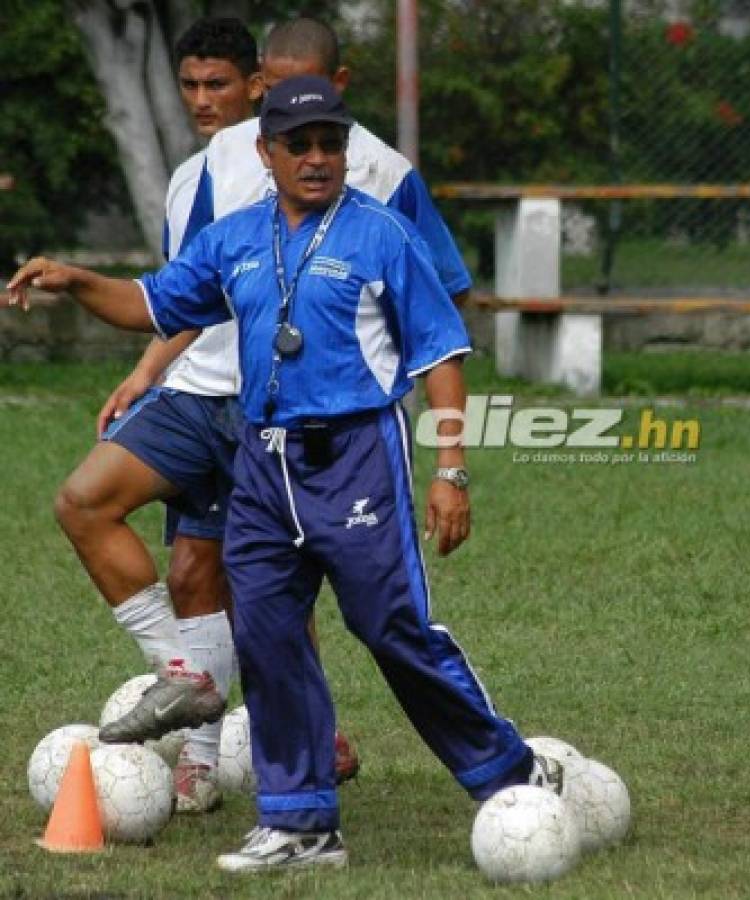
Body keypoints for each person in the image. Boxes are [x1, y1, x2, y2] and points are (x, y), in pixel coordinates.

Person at [7, 75, 558, 874]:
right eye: (298, 144)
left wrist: (452, 472)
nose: (316, 157)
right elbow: (154, 305)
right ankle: (301, 823)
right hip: (261, 464)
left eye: (330, 143)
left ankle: (511, 771)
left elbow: (441, 353)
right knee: (267, 637)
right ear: (265, 152)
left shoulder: (380, 236)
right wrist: (77, 281)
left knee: (391, 631)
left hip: (357, 460)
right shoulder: (235, 239)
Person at [72, 16, 470, 802]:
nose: (287, 116)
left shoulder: (385, 182)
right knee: (200, 566)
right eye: (271, 94)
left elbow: (440, 300)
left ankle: (469, 764)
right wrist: (151, 366)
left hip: (325, 428)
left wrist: (445, 448)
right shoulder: (217, 163)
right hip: (207, 397)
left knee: (333, 606)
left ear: (340, 94)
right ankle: (225, 739)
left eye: (309, 109)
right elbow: (189, 291)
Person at [52, 17, 262, 815]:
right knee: (87, 502)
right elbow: (183, 295)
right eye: (191, 85)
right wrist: (145, 370)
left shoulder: (281, 169)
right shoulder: (185, 178)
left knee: (263, 590)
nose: (203, 100)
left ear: (256, 86)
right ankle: (190, 696)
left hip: (262, 407)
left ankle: (301, 742)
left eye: (219, 85)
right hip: (190, 396)